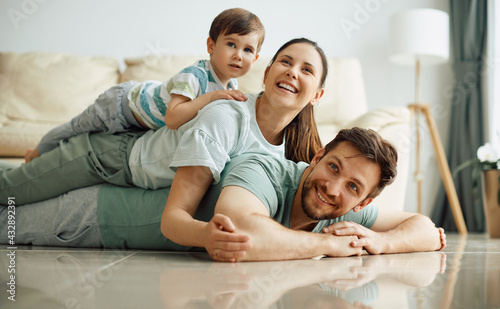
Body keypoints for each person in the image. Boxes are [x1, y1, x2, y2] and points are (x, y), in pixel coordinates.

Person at [0, 37, 327, 261]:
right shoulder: (227, 114)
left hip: (135, 179)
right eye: (285, 61)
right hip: (107, 155)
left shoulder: (283, 155)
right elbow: (175, 216)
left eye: (307, 70)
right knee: (13, 190)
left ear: (317, 96)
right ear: (267, 73)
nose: (292, 71)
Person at [0, 128, 447, 262]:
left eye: (352, 187)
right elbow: (247, 235)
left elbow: (428, 228)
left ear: (363, 202)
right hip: (92, 215)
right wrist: (330, 245)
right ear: (316, 158)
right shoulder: (266, 168)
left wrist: (384, 242)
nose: (332, 188)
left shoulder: (343, 211)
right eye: (332, 167)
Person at [24, 7, 264, 162]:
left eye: (247, 50)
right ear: (211, 46)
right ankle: (35, 153)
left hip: (138, 125)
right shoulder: (195, 75)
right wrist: (211, 98)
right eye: (231, 44)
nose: (238, 55)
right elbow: (173, 118)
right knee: (75, 129)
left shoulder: (230, 85)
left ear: (254, 59)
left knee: (80, 147)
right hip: (120, 104)